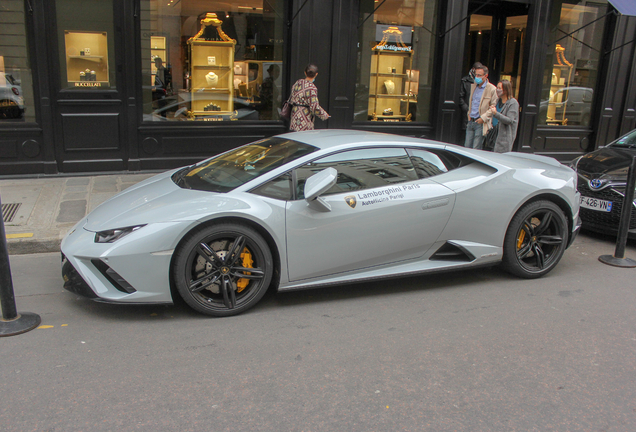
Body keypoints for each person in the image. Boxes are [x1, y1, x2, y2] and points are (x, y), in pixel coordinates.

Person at [288, 64, 329, 131]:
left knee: (295, 137)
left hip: (294, 114)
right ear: (316, 74)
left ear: (305, 73)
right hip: (305, 117)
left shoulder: (297, 83)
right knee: (304, 137)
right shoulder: (311, 88)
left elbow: (292, 98)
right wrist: (324, 115)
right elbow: (314, 106)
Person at [464, 65, 497, 150]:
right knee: (467, 147)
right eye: (476, 75)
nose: (477, 77)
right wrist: (469, 114)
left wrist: (483, 118)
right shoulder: (473, 86)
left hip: (481, 122)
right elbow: (471, 102)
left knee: (476, 148)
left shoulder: (492, 89)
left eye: (479, 75)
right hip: (471, 120)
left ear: (485, 76)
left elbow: (493, 106)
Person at [488, 79, 520, 153]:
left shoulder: (513, 103)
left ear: (505, 90)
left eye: (499, 88)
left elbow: (509, 120)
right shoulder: (498, 101)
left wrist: (496, 113)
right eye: (497, 87)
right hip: (494, 134)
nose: (497, 90)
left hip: (504, 137)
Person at [459, 62, 482, 142]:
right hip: (467, 112)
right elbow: (460, 96)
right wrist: (466, 108)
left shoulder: (481, 83)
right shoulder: (465, 80)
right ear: (473, 70)